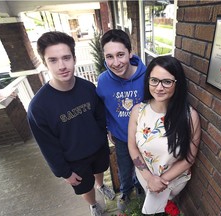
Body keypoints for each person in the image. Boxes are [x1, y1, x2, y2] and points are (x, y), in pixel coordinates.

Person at [27, 31, 115, 216]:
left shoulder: (88, 88)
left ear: (74, 58)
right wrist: (64, 172)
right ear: (45, 63)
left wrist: (103, 139)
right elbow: (47, 146)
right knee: (85, 187)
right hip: (74, 160)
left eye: (66, 58)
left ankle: (101, 185)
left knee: (99, 171)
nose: (62, 66)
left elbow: (100, 118)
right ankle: (93, 205)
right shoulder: (38, 107)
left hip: (98, 149)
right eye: (53, 60)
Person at [128, 56, 201, 214]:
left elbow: (189, 157)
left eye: (167, 81)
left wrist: (161, 181)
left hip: (174, 182)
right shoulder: (138, 111)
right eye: (154, 80)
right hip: (145, 176)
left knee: (166, 207)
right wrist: (149, 178)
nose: (159, 87)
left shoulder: (189, 116)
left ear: (177, 83)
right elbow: (132, 146)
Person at [96, 29, 146, 211]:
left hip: (144, 137)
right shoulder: (103, 81)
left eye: (120, 55)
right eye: (109, 57)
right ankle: (125, 192)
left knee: (143, 168)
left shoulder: (147, 76)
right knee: (124, 170)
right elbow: (102, 107)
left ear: (130, 52)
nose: (115, 63)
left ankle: (141, 188)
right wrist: (108, 127)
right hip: (121, 138)